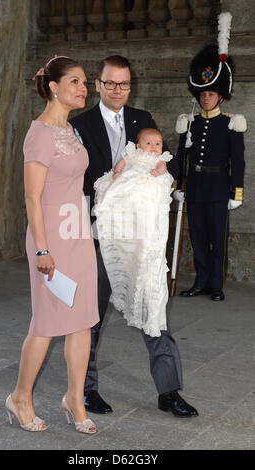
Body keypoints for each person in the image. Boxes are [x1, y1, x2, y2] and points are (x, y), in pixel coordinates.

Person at [71, 55, 198, 418]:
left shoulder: (142, 120)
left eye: (124, 84)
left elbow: (168, 160)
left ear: (131, 85)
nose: (117, 90)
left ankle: (169, 391)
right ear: (97, 84)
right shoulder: (80, 125)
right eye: (110, 83)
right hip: (99, 235)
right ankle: (86, 389)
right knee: (89, 318)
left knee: (153, 308)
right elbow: (74, 181)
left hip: (139, 236)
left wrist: (162, 167)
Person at [5, 56, 99, 434]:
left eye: (84, 82)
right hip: (51, 241)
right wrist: (42, 249)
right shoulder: (40, 133)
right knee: (45, 323)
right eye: (75, 81)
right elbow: (32, 197)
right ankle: (20, 397)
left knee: (82, 323)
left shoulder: (71, 130)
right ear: (54, 86)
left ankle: (74, 398)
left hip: (78, 235)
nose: (83, 88)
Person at [175, 27, 246, 301]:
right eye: (202, 94)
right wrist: (177, 186)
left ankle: (216, 284)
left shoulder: (231, 123)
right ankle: (201, 281)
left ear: (220, 96)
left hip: (218, 188)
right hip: (194, 186)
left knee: (217, 237)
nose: (206, 98)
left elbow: (237, 161)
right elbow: (182, 157)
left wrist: (236, 192)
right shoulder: (189, 122)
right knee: (199, 238)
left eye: (211, 94)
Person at [93, 128, 174, 338]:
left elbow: (161, 169)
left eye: (158, 144)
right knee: (116, 192)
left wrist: (156, 173)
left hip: (146, 188)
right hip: (128, 182)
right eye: (149, 143)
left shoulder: (160, 158)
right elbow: (121, 164)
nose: (154, 148)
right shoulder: (132, 154)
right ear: (138, 145)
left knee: (142, 196)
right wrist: (118, 172)